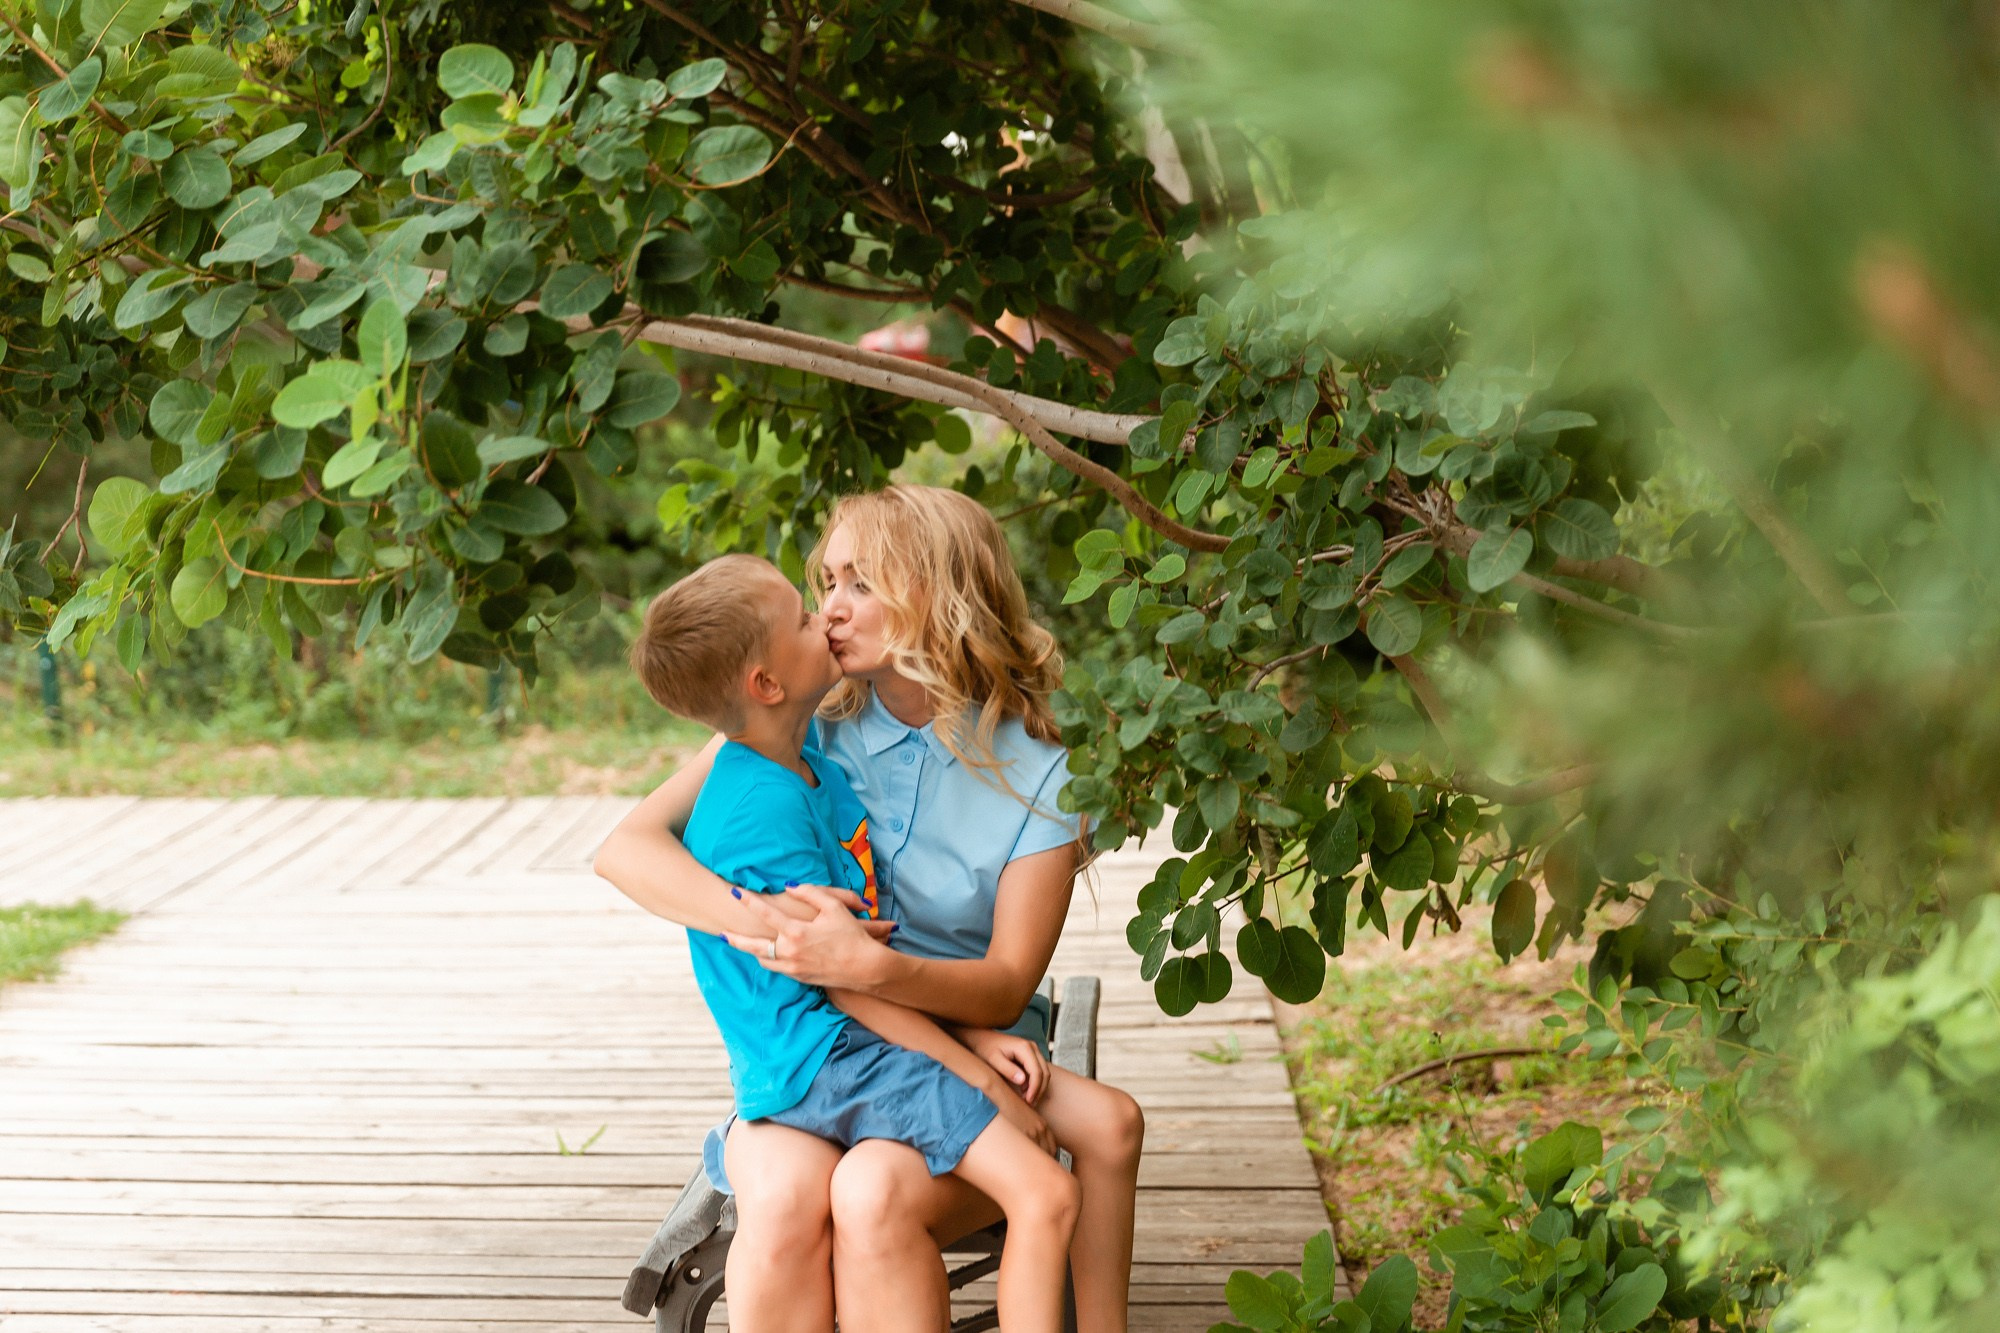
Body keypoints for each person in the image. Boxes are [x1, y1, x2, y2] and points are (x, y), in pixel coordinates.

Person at [595, 484, 1144, 1333]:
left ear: (940, 595)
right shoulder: (803, 719)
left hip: (969, 1029)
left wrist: (872, 967)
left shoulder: (1040, 773)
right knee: (780, 1202)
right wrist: (774, 924)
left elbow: (1001, 985)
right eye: (827, 584)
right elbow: (626, 849)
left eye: (860, 584)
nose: (832, 610)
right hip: (827, 1035)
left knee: (872, 1187)